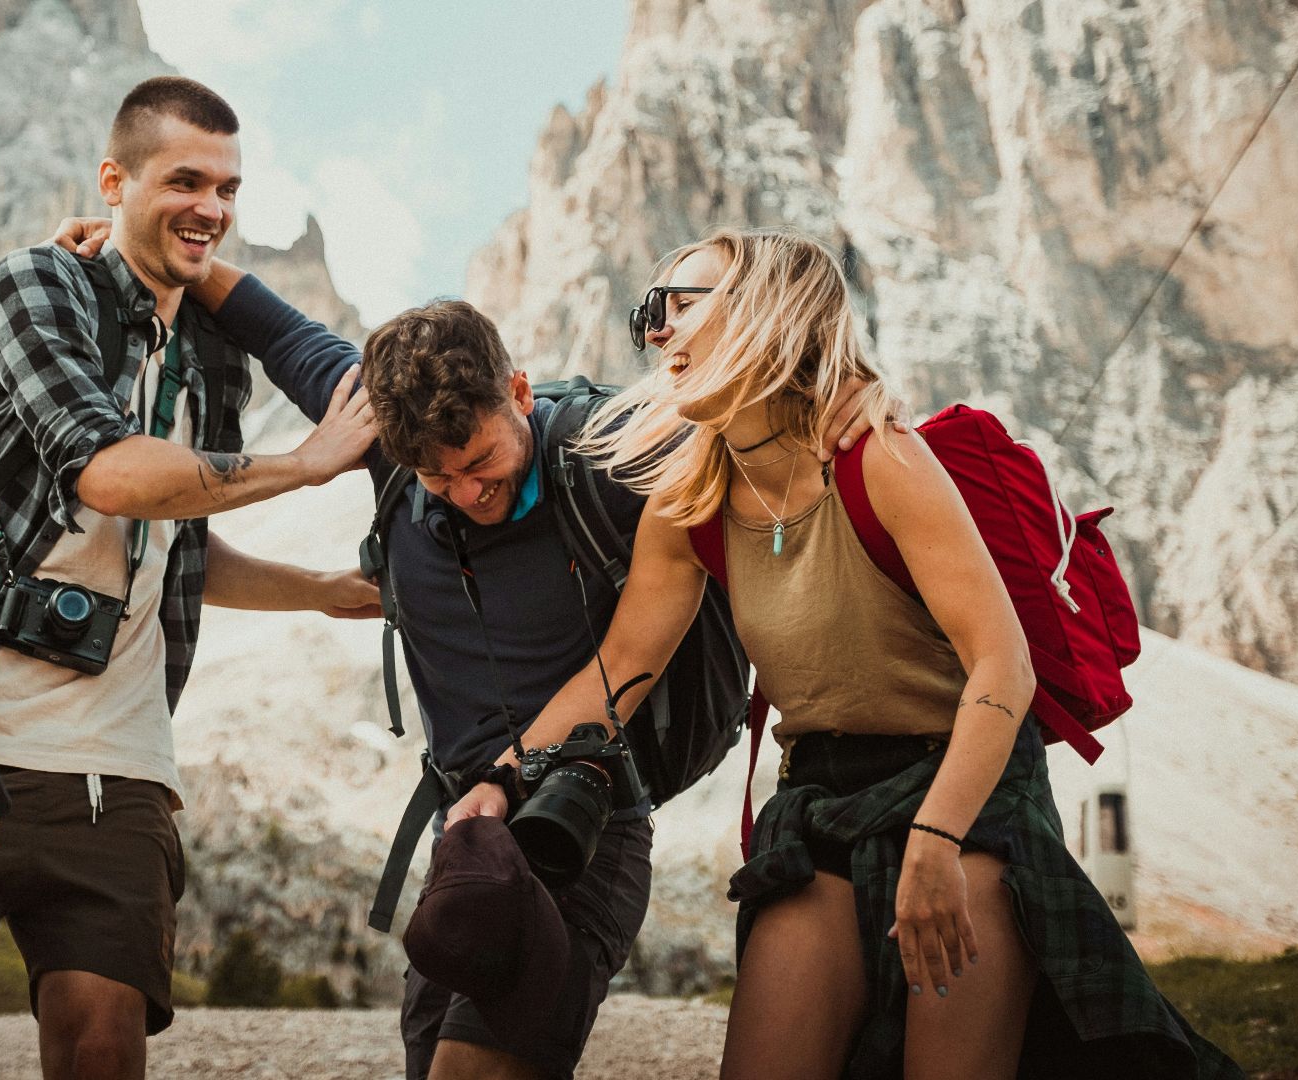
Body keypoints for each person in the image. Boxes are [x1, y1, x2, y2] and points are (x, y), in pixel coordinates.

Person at [49, 212, 881, 1079]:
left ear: (519, 392)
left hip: (582, 822)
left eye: (481, 460)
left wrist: (504, 777)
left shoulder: (609, 458)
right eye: (436, 478)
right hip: (470, 839)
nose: (466, 492)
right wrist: (138, 239)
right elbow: (273, 325)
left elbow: (653, 620)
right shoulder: (390, 444)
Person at [530, 226, 1242, 1078]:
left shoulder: (881, 460)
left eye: (682, 305)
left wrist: (939, 841)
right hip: (822, 795)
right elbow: (619, 672)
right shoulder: (690, 502)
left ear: (767, 312)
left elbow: (1002, 665)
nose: (656, 332)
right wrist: (500, 782)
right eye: (653, 310)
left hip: (964, 787)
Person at [0, 77, 379, 1080]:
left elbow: (178, 543)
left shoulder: (214, 355)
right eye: (185, 179)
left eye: (229, 188)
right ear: (114, 179)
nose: (213, 207)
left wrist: (319, 590)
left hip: (123, 762)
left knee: (104, 1045)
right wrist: (304, 465)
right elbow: (108, 473)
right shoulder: (32, 287)